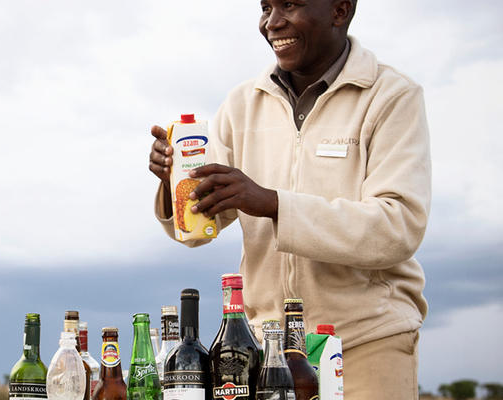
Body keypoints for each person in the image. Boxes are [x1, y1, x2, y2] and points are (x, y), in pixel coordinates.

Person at [148, 1, 429, 398]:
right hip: (268, 355)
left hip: (366, 342)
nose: (272, 22)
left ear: (340, 10)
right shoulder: (242, 103)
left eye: (291, 5)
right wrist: (172, 179)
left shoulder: (391, 96)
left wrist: (274, 204)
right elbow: (196, 231)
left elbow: (398, 226)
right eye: (266, 7)